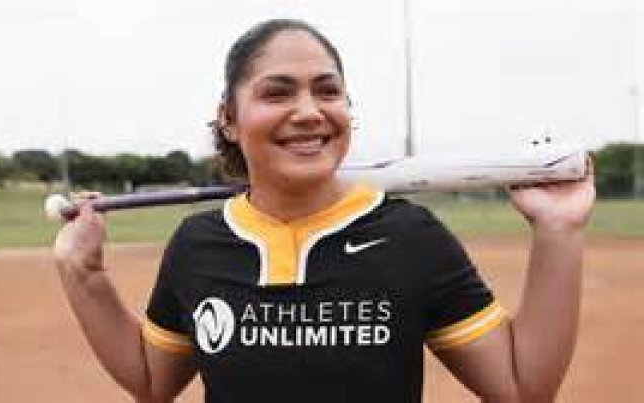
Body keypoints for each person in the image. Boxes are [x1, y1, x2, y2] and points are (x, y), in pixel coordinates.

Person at [53, 19, 596, 403]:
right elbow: (152, 382)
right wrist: (84, 273)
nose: (309, 111)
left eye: (327, 91)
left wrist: (559, 229)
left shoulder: (412, 237)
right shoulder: (198, 245)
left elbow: (522, 388)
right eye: (277, 93)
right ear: (229, 119)